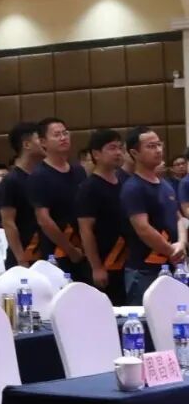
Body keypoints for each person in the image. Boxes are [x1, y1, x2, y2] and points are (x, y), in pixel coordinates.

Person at [121, 126, 185, 305]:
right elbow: (143, 228)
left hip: (172, 267)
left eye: (159, 144)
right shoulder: (133, 188)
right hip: (144, 271)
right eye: (150, 146)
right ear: (134, 153)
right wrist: (171, 251)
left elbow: (179, 218)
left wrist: (181, 243)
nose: (158, 150)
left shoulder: (165, 185)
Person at [28, 117, 88, 281]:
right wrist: (70, 249)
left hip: (83, 249)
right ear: (43, 142)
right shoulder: (39, 176)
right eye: (57, 135)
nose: (63, 138)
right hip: (57, 253)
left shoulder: (79, 171)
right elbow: (44, 220)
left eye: (65, 133)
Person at [76, 128, 128, 306]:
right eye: (112, 148)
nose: (118, 152)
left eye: (120, 148)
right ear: (96, 154)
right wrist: (96, 267)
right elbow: (85, 230)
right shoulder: (89, 188)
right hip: (106, 262)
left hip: (126, 262)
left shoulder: (124, 183)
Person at [0, 121, 44, 270]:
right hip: (23, 258)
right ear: (27, 144)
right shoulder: (11, 181)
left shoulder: (43, 176)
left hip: (45, 255)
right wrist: (21, 259)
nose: (44, 143)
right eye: (40, 139)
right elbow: (8, 222)